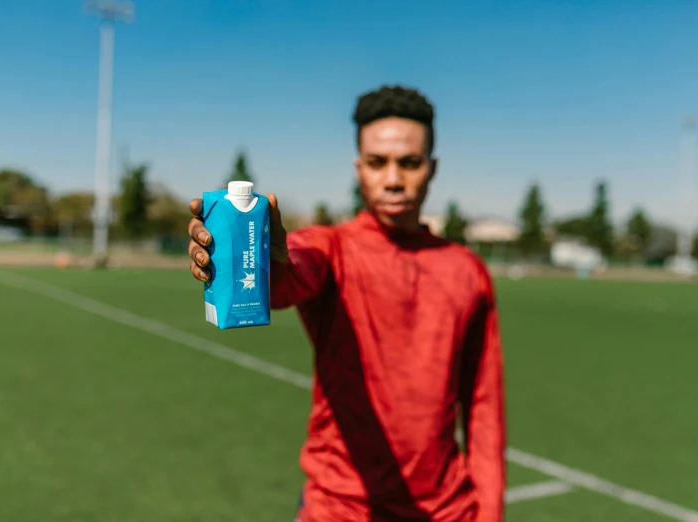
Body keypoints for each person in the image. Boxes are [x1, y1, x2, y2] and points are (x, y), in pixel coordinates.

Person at [187, 85, 506, 522]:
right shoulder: (332, 247)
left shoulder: (468, 271)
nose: (393, 179)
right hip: (338, 508)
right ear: (359, 168)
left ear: (432, 168)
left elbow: (484, 404)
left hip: (447, 512)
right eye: (378, 163)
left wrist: (489, 512)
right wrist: (260, 261)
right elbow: (290, 274)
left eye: (409, 163)